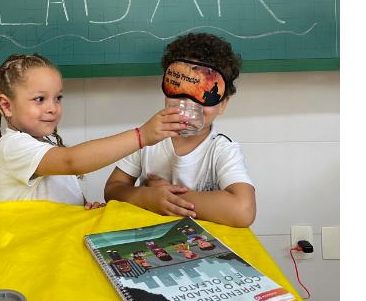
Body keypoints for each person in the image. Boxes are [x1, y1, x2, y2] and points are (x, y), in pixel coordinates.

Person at [0, 53, 186, 207]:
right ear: (6, 106)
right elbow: (72, 162)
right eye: (40, 99)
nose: (52, 108)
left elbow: (62, 196)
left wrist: (84, 207)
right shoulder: (12, 146)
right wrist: (142, 136)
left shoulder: (45, 147)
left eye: (57, 98)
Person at [104, 33, 256, 227]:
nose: (188, 103)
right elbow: (112, 190)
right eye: (180, 88)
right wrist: (147, 197)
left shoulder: (222, 150)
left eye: (205, 92)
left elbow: (243, 210)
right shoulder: (148, 138)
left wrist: (165, 197)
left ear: (222, 104)